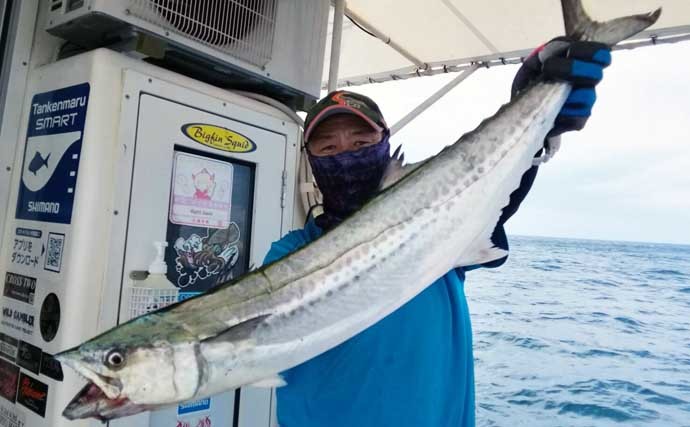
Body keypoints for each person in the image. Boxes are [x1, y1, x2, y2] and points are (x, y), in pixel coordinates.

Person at [262, 38, 611, 427]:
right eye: (328, 147)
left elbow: (494, 197)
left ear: (385, 144)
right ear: (310, 160)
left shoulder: (435, 232)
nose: (345, 154)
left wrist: (536, 125)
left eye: (361, 142)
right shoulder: (288, 256)